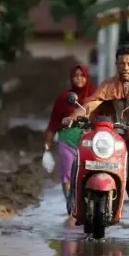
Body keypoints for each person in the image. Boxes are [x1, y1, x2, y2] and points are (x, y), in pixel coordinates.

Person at [64, 46, 129, 237]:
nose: (125, 67)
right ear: (116, 65)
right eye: (121, 63)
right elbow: (92, 102)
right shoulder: (110, 84)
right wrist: (75, 114)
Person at [44, 64, 95, 227]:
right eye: (76, 75)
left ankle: (90, 206)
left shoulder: (94, 95)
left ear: (87, 77)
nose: (79, 78)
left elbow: (104, 116)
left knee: (89, 174)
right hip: (67, 140)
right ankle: (72, 209)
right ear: (71, 78)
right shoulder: (64, 97)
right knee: (67, 176)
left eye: (82, 75)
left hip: (89, 141)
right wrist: (48, 141)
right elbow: (53, 121)